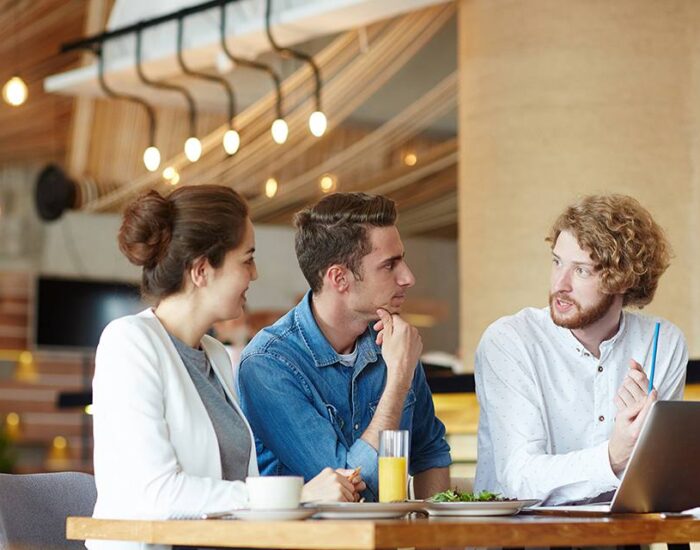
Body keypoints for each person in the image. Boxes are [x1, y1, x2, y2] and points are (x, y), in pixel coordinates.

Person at [89, 186, 363, 550]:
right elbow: (158, 493)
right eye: (247, 259)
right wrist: (298, 496)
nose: (255, 273)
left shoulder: (215, 354)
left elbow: (231, 491)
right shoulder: (129, 342)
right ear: (202, 270)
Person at [474, 194, 688, 505]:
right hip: (521, 531)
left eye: (582, 270)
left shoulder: (661, 343)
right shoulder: (510, 341)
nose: (560, 284)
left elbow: (659, 480)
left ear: (623, 280)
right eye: (557, 262)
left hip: (622, 531)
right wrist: (613, 456)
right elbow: (519, 479)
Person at [238, 192, 451, 501]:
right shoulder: (268, 364)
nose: (408, 277)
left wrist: (433, 530)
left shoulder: (394, 342)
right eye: (389, 265)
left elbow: (430, 453)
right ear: (339, 278)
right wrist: (398, 381)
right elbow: (348, 488)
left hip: (388, 532)